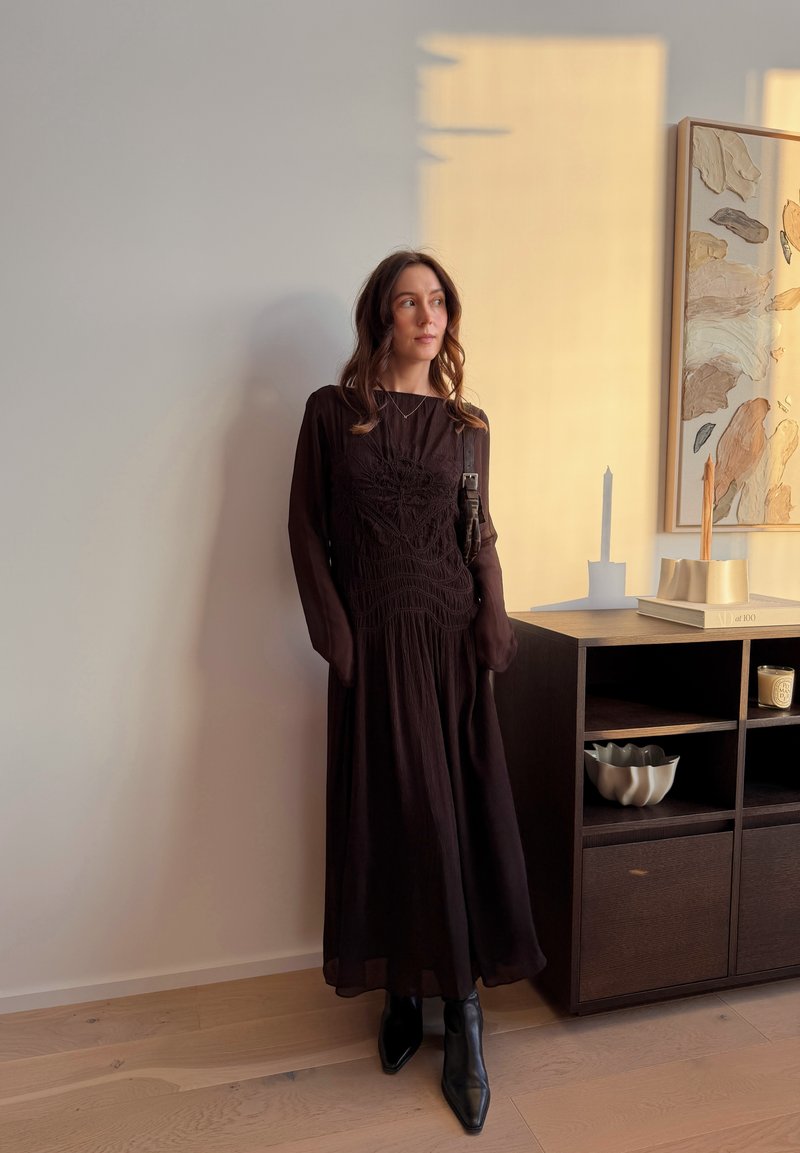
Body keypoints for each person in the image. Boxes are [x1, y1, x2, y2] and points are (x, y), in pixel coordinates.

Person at [288, 250, 544, 1134]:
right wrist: (335, 637)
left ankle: (464, 1012)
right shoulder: (335, 414)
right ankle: (401, 989)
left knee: (452, 819)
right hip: (372, 648)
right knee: (390, 816)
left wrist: (496, 615)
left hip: (447, 645)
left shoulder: (468, 423)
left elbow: (479, 530)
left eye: (437, 301)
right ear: (380, 318)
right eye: (408, 302)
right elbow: (305, 527)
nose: (425, 315)